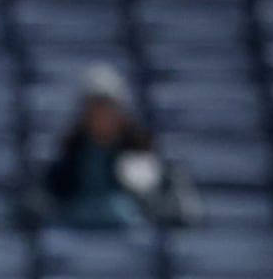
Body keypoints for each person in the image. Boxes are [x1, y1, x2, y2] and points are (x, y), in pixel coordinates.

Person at [35, 63, 199, 229]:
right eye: (95, 109)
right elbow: (48, 201)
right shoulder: (68, 161)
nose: (101, 117)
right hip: (77, 230)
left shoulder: (141, 157)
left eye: (107, 109)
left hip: (128, 234)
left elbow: (166, 207)